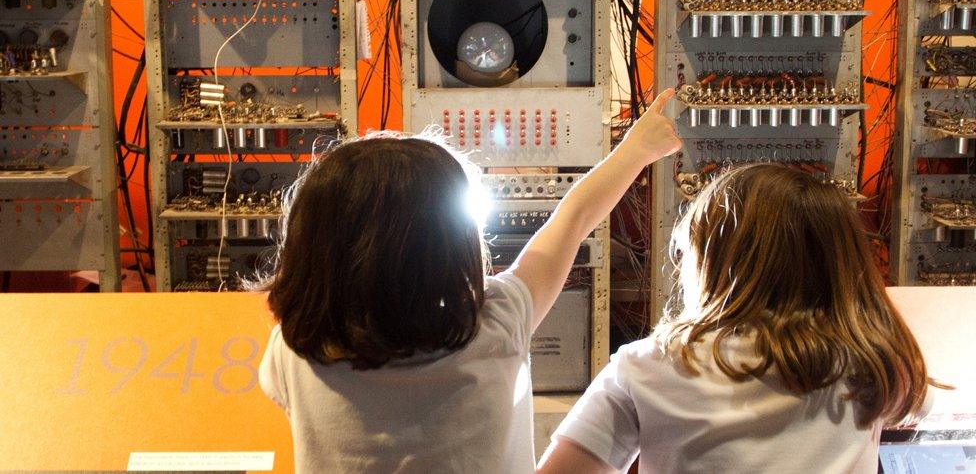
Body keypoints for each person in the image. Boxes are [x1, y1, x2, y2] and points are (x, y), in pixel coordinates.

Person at [254, 90, 682, 473]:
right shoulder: (498, 321)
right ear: (453, 243)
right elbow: (573, 220)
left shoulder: (292, 351)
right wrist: (635, 150)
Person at [537, 163, 933, 474]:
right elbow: (922, 405)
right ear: (843, 265)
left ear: (709, 261)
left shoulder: (651, 365)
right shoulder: (879, 363)